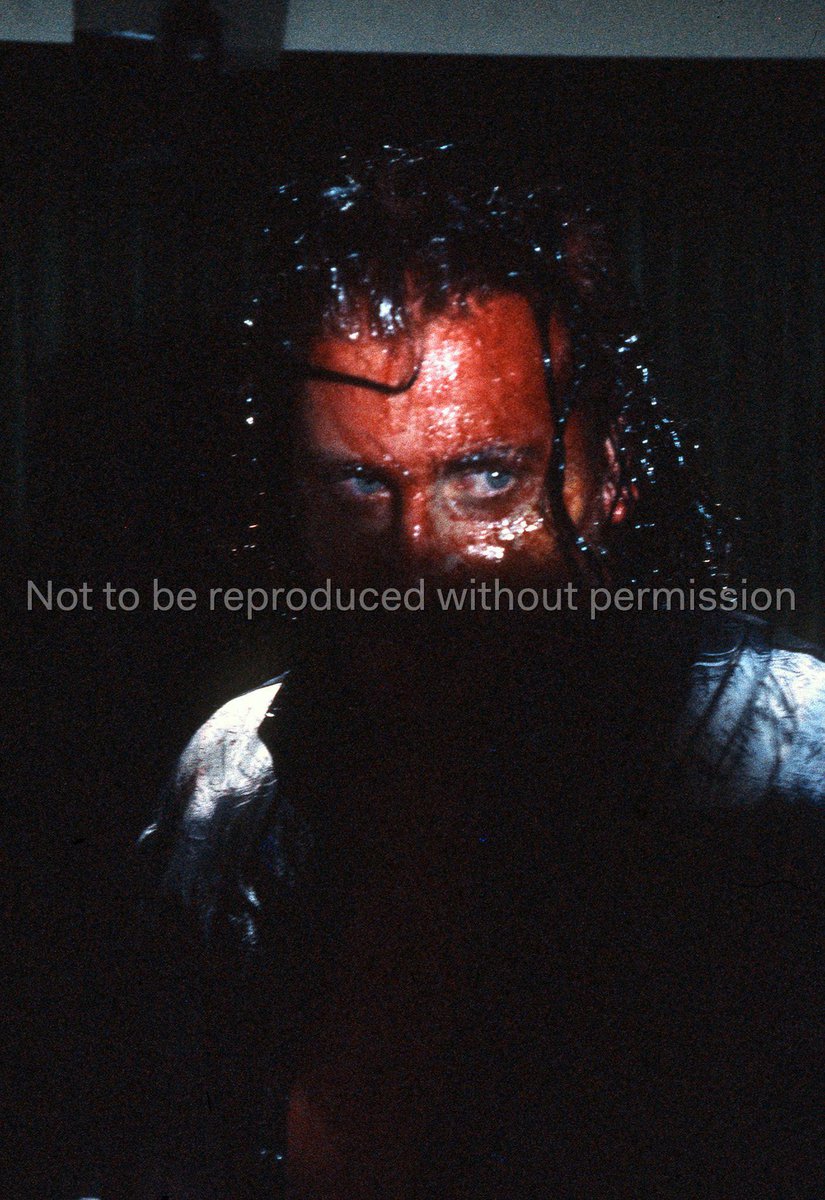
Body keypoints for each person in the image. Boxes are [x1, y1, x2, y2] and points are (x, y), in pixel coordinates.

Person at [141, 144, 825, 1199]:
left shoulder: (796, 759)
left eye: (487, 476)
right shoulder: (233, 781)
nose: (416, 557)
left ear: (612, 471)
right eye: (358, 486)